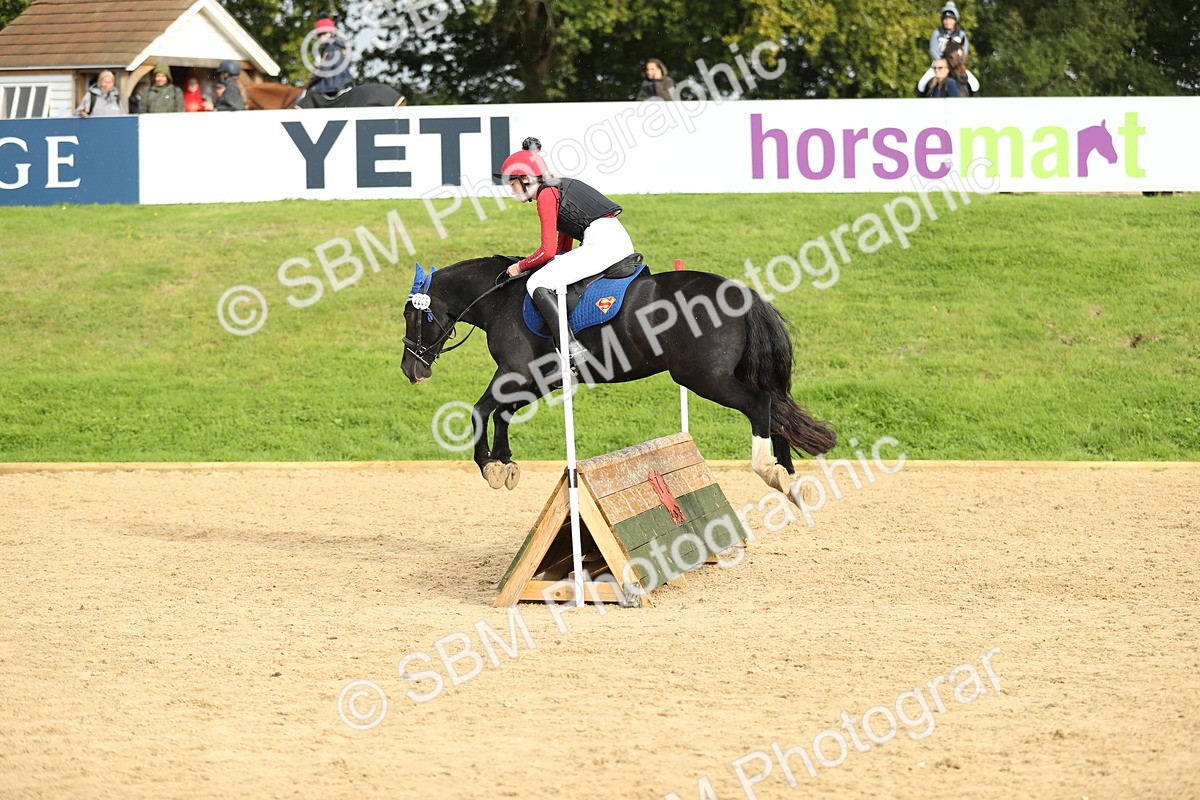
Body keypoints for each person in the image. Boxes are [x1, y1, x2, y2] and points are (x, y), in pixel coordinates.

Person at [498, 137, 635, 370]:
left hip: (602, 244)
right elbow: (562, 249)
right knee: (549, 274)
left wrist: (520, 266)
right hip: (612, 239)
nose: (512, 191)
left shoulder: (546, 195)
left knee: (537, 283)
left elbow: (547, 250)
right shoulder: (555, 188)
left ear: (525, 179)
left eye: (513, 184)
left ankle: (571, 350)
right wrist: (541, 262)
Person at [917, 1, 980, 95]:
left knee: (975, 85)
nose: (948, 22)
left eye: (951, 19)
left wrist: (959, 62)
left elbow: (965, 50)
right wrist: (943, 64)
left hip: (957, 65)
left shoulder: (961, 34)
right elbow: (933, 50)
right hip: (939, 66)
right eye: (945, 19)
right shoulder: (937, 33)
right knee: (921, 85)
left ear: (955, 20)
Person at [297, 18, 354, 107]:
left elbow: (325, 71)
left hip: (333, 85)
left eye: (324, 33)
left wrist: (312, 82)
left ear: (332, 33)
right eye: (320, 34)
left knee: (308, 97)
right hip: (340, 82)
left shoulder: (331, 48)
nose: (321, 37)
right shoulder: (336, 46)